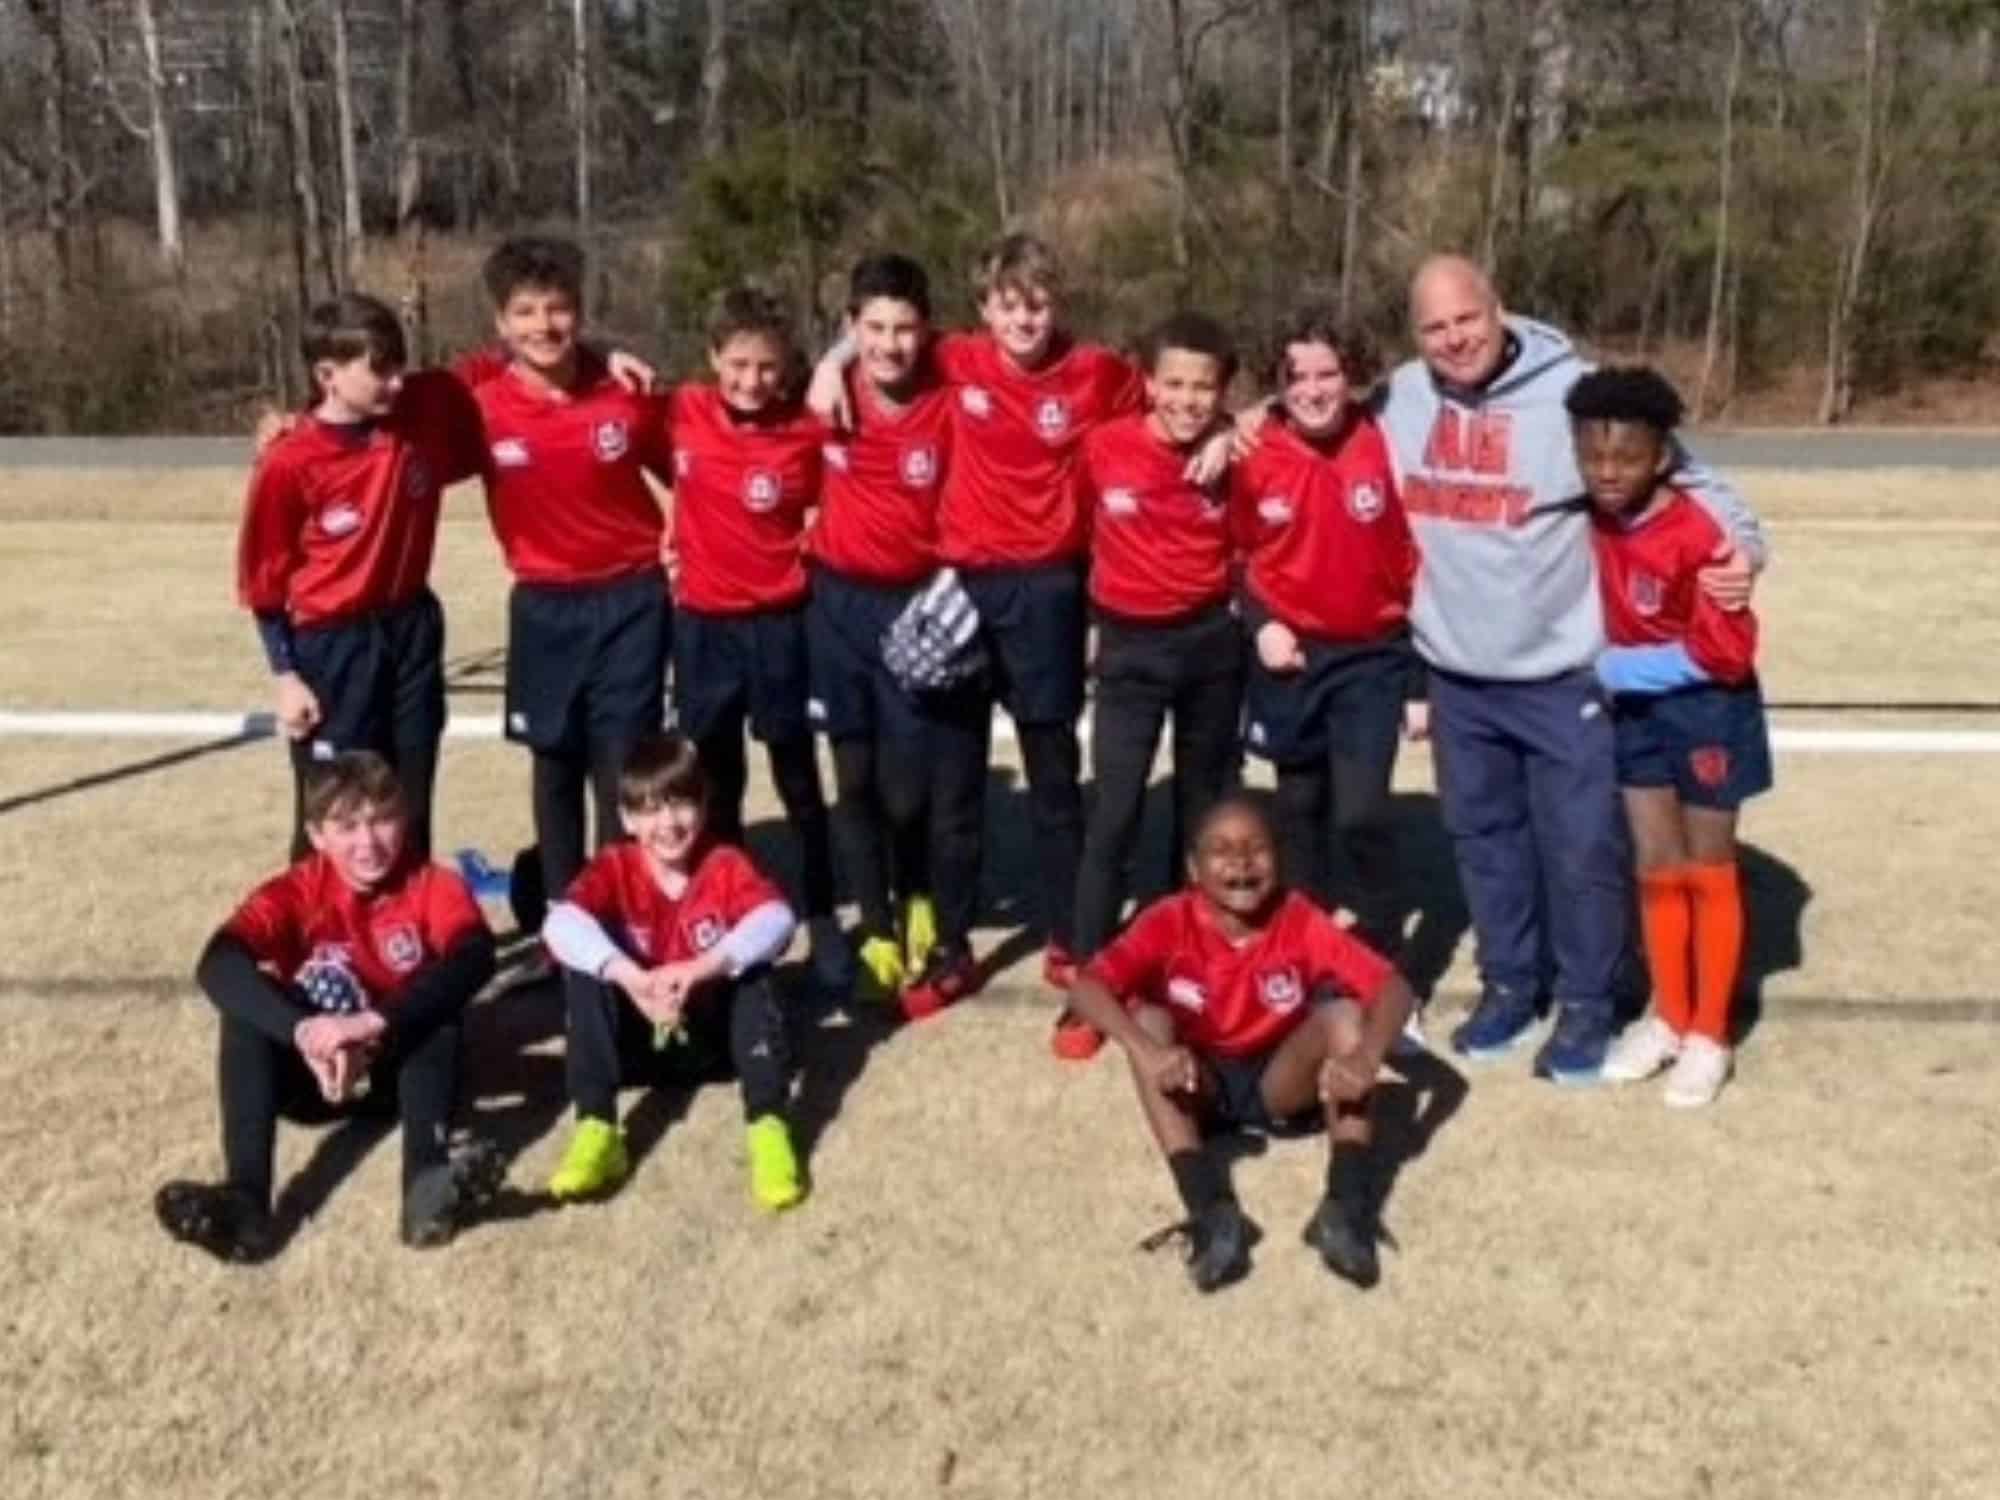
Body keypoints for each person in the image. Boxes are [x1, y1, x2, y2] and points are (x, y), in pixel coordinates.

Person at [1377, 255, 1765, 1082]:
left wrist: (1745, 549)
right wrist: (1245, 423)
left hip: (1563, 673)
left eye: (1467, 319)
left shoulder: (1573, 392)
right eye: (1435, 327)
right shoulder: (1401, 396)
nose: (1454, 339)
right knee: (1485, 842)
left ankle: (1589, 1000)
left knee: (1582, 847)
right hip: (1456, 672)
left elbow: (1694, 478)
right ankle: (1511, 985)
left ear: (1500, 309)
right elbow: (1313, 410)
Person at [809, 233, 1158, 1021]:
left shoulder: (1098, 372)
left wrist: (1233, 430)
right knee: (954, 785)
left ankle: (1071, 936)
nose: (1024, 319)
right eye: (1008, 304)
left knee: (1053, 777)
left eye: (1038, 303)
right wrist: (831, 360)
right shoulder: (954, 358)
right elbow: (877, 334)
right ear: (982, 310)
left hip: (1048, 593)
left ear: (1058, 303)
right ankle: (953, 945)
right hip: (961, 592)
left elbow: (1174, 403)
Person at [155, 753, 499, 1262]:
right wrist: (306, 1033)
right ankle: (245, 1201)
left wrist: (372, 1024)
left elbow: (476, 955)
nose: (369, 842)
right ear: (316, 835)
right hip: (316, 1076)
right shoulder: (295, 891)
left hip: (398, 1074)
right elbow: (218, 963)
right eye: (347, 826)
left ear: (405, 819)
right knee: (245, 1016)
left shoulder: (432, 884)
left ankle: (426, 1184)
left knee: (436, 1015)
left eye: (383, 819)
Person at [1065, 796, 1416, 1292]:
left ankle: (1345, 1207)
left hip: (1279, 1078)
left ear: (1280, 859)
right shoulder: (1168, 919)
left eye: (1256, 848)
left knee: (1344, 1016)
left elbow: (1395, 987)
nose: (1241, 862)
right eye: (1222, 850)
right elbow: (1086, 987)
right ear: (1193, 868)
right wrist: (1147, 1051)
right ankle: (1209, 1211)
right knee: (1149, 1020)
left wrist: (1367, 1057)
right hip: (1198, 1079)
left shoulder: (1298, 917)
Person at [1566, 367, 1772, 1108]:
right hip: (1639, 716)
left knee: (1705, 865)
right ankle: (1669, 1016)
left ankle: (1711, 1033)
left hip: (1709, 712)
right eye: (1593, 457)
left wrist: (1618, 668)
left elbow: (1727, 654)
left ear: (1661, 457)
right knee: (1655, 864)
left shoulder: (1699, 529)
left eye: (1625, 458)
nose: (1608, 472)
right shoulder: (1591, 519)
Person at [237, 293, 486, 861]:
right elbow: (265, 581)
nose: (396, 382)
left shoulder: (419, 409)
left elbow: (513, 358)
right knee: (335, 808)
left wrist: (605, 357)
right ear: (328, 375)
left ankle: (410, 914)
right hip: (333, 646)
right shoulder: (288, 461)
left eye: (400, 365)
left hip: (411, 630)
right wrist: (286, 675)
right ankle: (317, 916)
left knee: (409, 805)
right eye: (379, 370)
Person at [1060, 311, 1246, 1061]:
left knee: (1201, 813)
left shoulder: (1237, 452)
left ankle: (1184, 966)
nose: (1187, 400)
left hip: (1211, 646)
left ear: (1224, 392)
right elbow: (1073, 539)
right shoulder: (1104, 448)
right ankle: (1088, 984)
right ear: (1147, 383)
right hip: (1129, 649)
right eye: (1174, 384)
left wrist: (1239, 430)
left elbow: (1295, 420)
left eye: (1204, 388)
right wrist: (1087, 624)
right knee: (1114, 812)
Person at [473, 236, 676, 908]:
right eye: (525, 312)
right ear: (501, 322)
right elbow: (387, 408)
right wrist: (290, 420)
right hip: (544, 605)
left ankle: (618, 909)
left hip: (631, 600)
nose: (544, 326)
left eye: (557, 308)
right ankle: (566, 918)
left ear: (581, 312)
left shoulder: (625, 392)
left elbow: (695, 469)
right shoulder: (479, 403)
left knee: (621, 765)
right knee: (554, 762)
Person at [667, 287, 849, 997]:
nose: (751, 380)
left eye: (767, 367)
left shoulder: (808, 430)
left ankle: (823, 915)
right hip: (703, 628)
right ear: (713, 357)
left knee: (798, 779)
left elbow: (852, 489)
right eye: (738, 364)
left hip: (780, 625)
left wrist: (838, 356)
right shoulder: (681, 411)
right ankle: (733, 915)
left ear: (788, 367)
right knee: (716, 783)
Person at [540, 733, 805, 1211]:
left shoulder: (723, 863)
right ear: (626, 818)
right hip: (637, 1043)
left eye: (681, 804)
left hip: (715, 1038)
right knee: (585, 968)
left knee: (751, 966)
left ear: (703, 806)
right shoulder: (614, 865)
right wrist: (633, 979)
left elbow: (778, 918)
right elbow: (559, 924)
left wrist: (702, 967)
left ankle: (768, 1126)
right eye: (649, 810)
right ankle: (598, 1127)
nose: (668, 824)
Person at [1232, 306, 1421, 965]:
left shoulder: (1385, 439)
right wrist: (1261, 623)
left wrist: (1420, 680)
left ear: (1353, 374)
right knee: (1298, 806)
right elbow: (1235, 558)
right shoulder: (1253, 453)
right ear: (1277, 383)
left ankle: (1384, 954)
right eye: (1297, 377)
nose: (1313, 390)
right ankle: (1304, 944)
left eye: (1328, 373)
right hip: (1291, 657)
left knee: (1361, 812)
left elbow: (1418, 559)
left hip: (1372, 654)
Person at [802, 254, 952, 1009]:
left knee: (906, 786)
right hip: (836, 607)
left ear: (926, 330)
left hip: (915, 608)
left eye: (904, 328)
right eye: (874, 328)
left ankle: (917, 891)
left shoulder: (949, 394)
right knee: (853, 777)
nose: (890, 344)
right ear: (850, 326)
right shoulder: (826, 396)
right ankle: (876, 930)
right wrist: (832, 363)